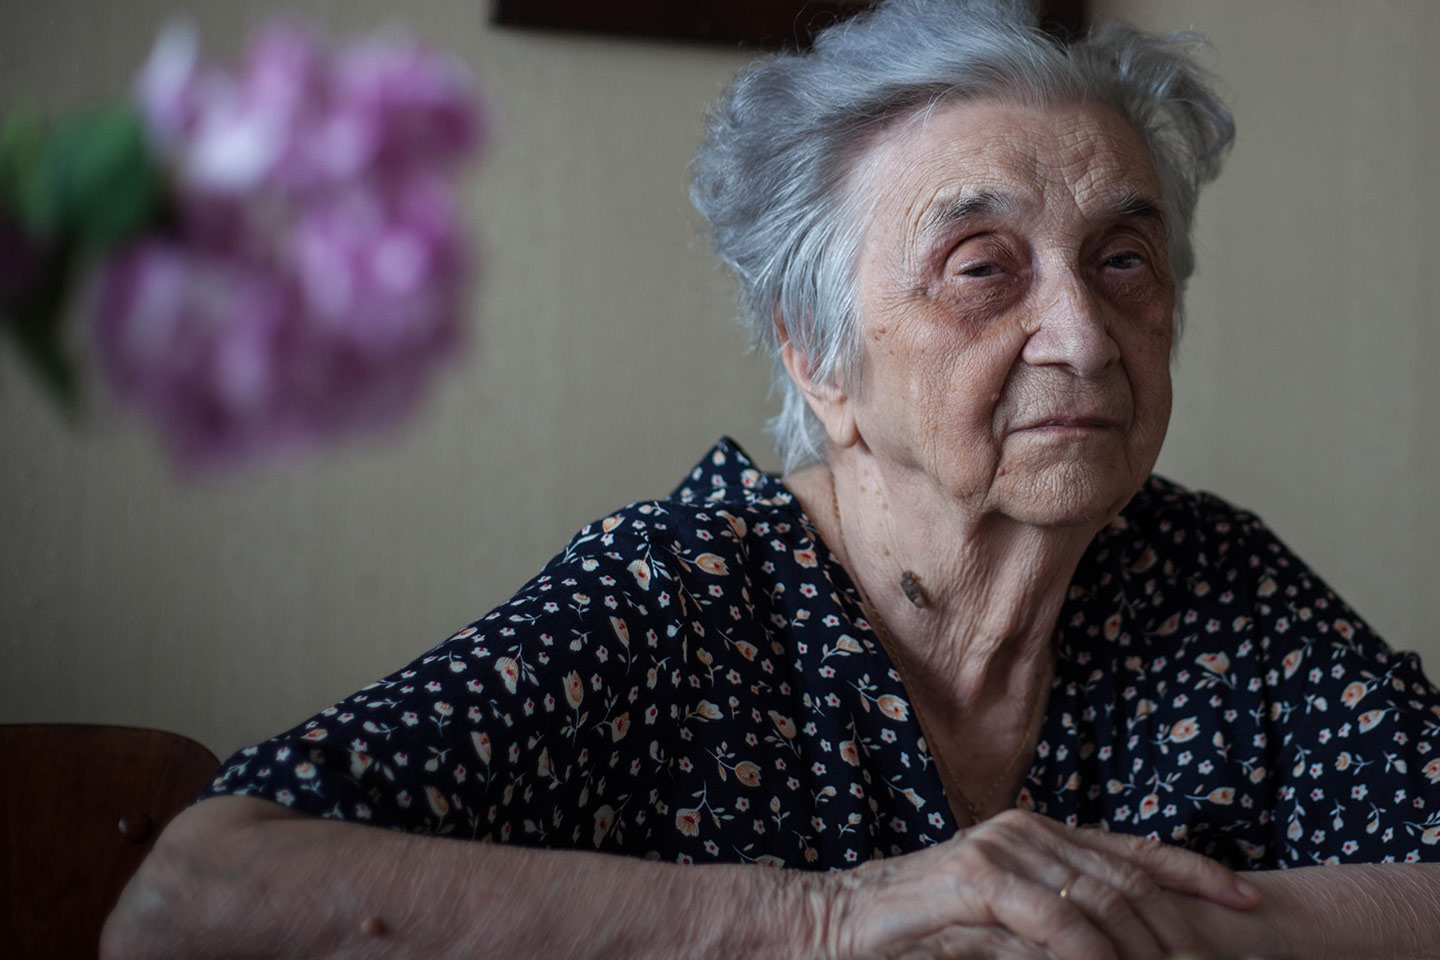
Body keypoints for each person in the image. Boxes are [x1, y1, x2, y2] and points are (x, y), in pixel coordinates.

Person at [102, 1, 1440, 958]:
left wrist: (1127, 931)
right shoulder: (680, 594)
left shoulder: (1213, 582)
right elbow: (204, 893)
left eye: (1124, 262)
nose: (1083, 334)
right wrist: (826, 919)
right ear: (818, 358)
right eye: (983, 267)